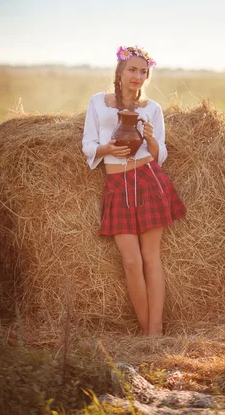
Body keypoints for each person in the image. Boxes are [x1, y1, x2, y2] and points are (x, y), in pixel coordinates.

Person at [82, 45, 186, 336]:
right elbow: (88, 145)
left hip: (148, 179)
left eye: (143, 71)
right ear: (120, 71)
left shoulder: (152, 109)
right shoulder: (98, 103)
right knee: (131, 261)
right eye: (132, 69)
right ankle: (146, 330)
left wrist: (151, 139)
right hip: (117, 184)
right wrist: (107, 148)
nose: (138, 76)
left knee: (152, 259)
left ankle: (155, 332)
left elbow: (160, 154)